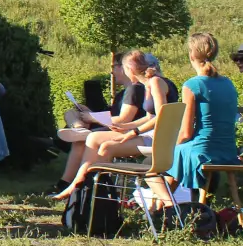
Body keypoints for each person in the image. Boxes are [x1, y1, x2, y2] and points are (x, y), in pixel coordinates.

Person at [51, 51, 177, 200]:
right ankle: (84, 189)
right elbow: (150, 117)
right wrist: (126, 127)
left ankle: (83, 189)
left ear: (129, 69)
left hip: (157, 138)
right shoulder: (151, 84)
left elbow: (161, 117)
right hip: (152, 134)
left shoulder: (155, 83)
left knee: (95, 140)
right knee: (97, 141)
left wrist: (133, 132)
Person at [169, 33, 241, 197]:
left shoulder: (193, 85)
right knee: (179, 154)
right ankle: (162, 208)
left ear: (191, 54)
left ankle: (160, 208)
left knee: (169, 157)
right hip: (228, 151)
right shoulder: (228, 83)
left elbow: (186, 133)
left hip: (203, 150)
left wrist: (170, 147)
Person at [56, 52, 141, 188]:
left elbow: (123, 120)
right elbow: (114, 115)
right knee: (71, 113)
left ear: (124, 67)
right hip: (114, 127)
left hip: (121, 131)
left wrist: (92, 117)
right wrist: (91, 114)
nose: (112, 72)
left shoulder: (133, 90)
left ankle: (67, 183)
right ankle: (79, 129)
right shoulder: (125, 92)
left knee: (80, 142)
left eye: (114, 67)